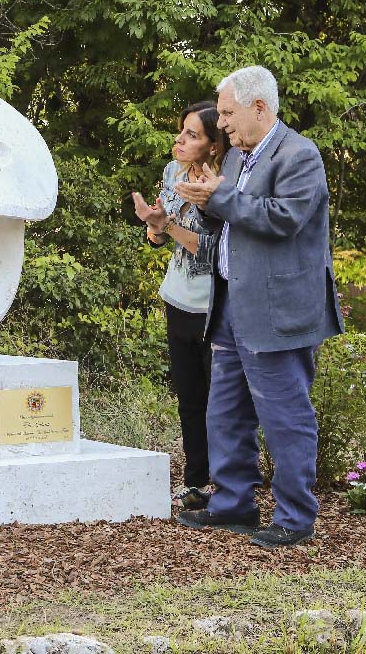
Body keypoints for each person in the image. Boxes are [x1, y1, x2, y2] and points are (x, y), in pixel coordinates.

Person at [173, 65, 344, 549]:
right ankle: (233, 504)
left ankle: (295, 517)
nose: (222, 123)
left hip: (278, 311)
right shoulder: (233, 159)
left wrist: (221, 197)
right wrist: (205, 203)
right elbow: (226, 222)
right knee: (225, 411)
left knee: (285, 417)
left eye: (228, 113)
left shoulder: (299, 155)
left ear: (259, 107)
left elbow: (284, 219)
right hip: (231, 303)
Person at [133, 102, 228, 511]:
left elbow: (210, 252)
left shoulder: (221, 184)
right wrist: (155, 225)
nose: (180, 139)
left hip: (213, 307)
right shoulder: (173, 172)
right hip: (177, 299)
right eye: (181, 131)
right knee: (189, 398)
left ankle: (227, 485)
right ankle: (195, 483)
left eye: (192, 134)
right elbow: (160, 238)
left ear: (212, 145)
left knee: (219, 402)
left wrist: (167, 226)